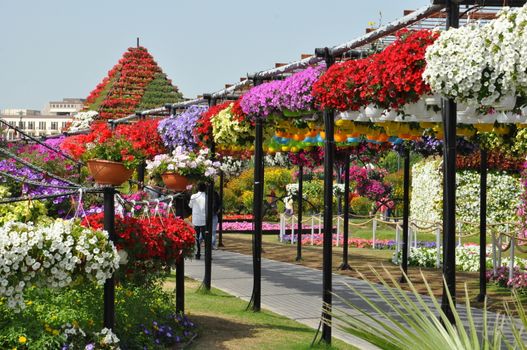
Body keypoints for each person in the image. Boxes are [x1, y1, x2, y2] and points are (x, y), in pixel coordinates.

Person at [189, 182, 207, 259]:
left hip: (196, 219)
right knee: (205, 237)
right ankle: (207, 253)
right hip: (204, 219)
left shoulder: (194, 196)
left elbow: (190, 205)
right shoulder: (206, 196)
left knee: (196, 237)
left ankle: (198, 253)